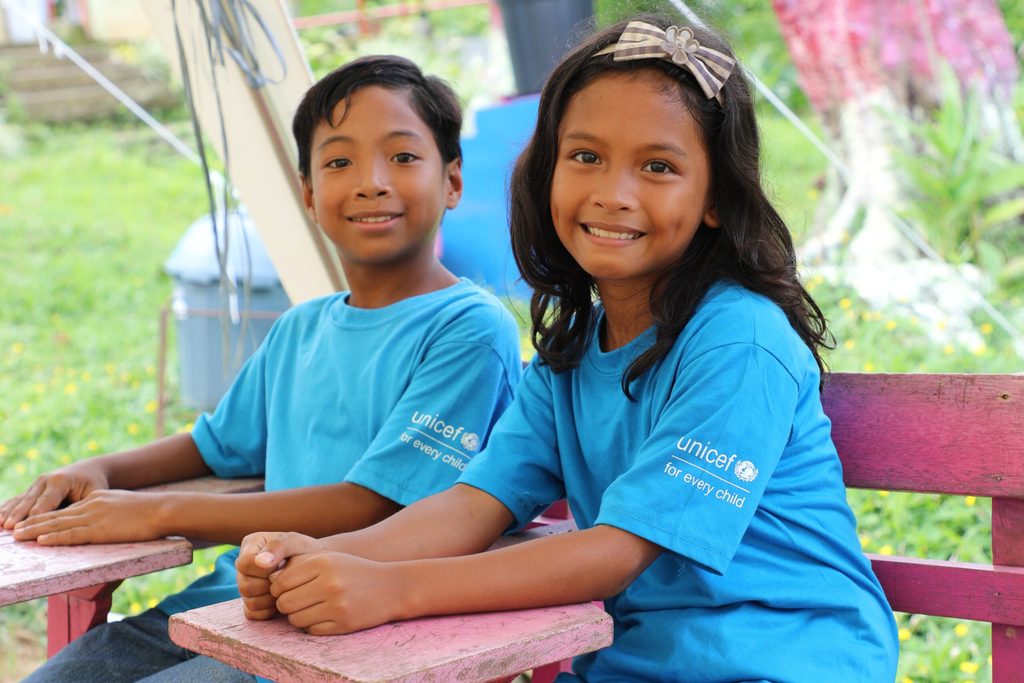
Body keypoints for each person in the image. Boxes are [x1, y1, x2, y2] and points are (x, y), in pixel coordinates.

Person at [236, 15, 900, 681]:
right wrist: (331, 557)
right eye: (585, 157)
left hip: (788, 662)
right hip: (636, 666)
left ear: (717, 199)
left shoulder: (739, 341)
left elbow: (617, 550)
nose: (613, 194)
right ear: (547, 168)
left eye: (658, 166)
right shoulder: (573, 347)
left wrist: (394, 588)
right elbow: (476, 502)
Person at [2, 55, 523, 682]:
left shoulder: (468, 328)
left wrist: (157, 513)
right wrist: (98, 469)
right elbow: (214, 446)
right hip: (227, 604)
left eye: (404, 157)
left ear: (453, 182)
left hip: (349, 621)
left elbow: (375, 507)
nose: (371, 182)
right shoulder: (301, 328)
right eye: (339, 162)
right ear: (308, 193)